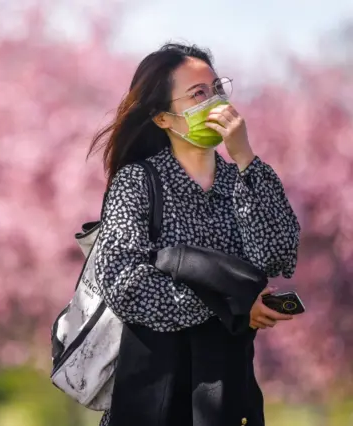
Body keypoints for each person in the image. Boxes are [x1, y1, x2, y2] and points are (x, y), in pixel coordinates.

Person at [90, 43, 300, 426]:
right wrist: (230, 306)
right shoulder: (139, 182)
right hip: (155, 398)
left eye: (217, 89)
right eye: (198, 94)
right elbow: (124, 284)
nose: (215, 102)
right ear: (163, 118)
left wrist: (246, 159)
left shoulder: (241, 183)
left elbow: (279, 255)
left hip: (230, 396)